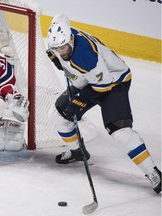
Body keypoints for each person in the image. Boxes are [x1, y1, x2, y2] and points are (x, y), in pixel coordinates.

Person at [46, 14, 161, 194]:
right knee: (58, 114)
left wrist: (78, 101)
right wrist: (60, 60)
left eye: (63, 48)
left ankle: (153, 172)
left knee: (119, 131)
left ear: (70, 39)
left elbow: (104, 85)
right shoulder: (60, 38)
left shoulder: (85, 55)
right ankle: (77, 152)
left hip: (115, 81)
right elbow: (60, 18)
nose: (60, 52)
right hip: (89, 77)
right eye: (56, 49)